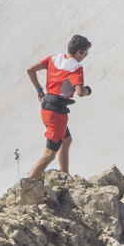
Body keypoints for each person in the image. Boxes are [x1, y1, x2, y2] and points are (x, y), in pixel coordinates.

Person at [26, 35, 92, 180]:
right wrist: (88, 90)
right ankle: (27, 186)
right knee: (49, 154)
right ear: (79, 52)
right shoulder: (76, 67)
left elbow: (30, 69)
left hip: (46, 107)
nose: (85, 57)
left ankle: (65, 175)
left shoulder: (54, 58)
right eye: (85, 53)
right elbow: (80, 92)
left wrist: (39, 90)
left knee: (66, 140)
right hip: (57, 113)